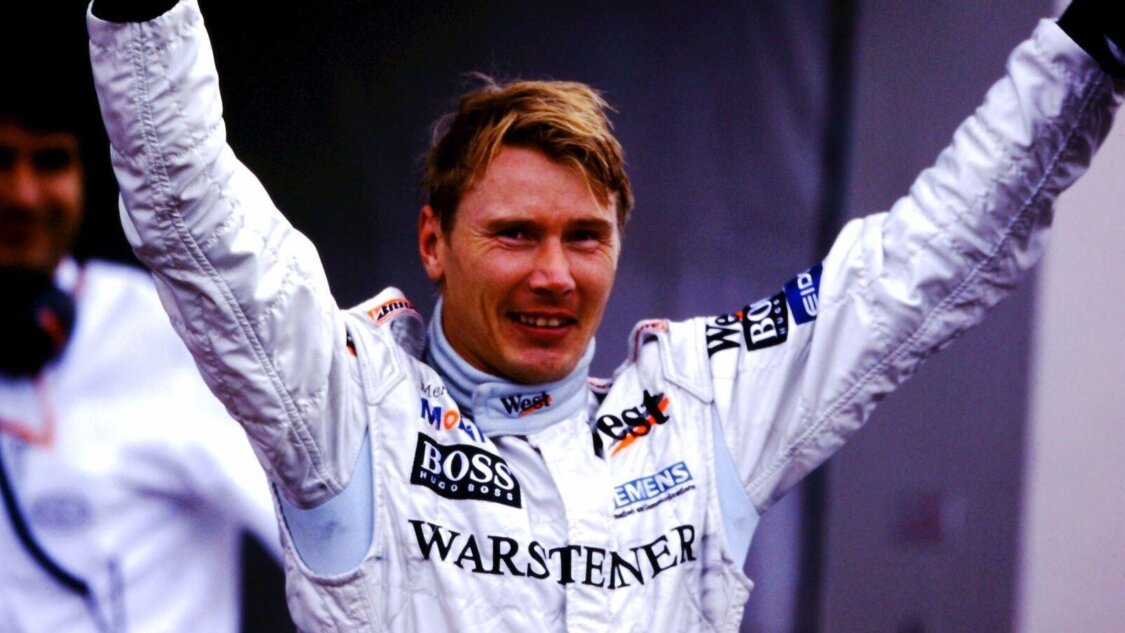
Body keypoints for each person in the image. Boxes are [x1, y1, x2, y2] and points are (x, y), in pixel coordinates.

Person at [85, 0, 1123, 631]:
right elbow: (192, 213)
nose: (554, 274)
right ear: (433, 243)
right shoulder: (347, 405)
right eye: (514, 234)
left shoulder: (697, 414)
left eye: (585, 237)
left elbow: (920, 267)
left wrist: (1088, 53)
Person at [0, 15, 285, 633]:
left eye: (50, 162)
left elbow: (329, 536)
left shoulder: (178, 332)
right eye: (1, 161)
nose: (22, 195)